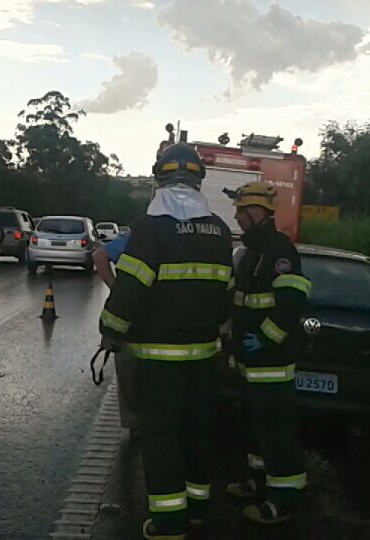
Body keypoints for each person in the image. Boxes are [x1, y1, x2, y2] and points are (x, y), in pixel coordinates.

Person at [99, 143, 233, 540]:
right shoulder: (220, 232)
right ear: (198, 181)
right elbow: (226, 294)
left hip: (159, 362)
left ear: (160, 179)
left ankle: (169, 522)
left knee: (161, 438)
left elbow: (130, 288)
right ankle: (197, 511)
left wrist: (110, 330)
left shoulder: (151, 229)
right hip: (204, 359)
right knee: (196, 434)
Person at [224, 181, 311, 526]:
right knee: (254, 430)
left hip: (271, 366)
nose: (237, 217)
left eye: (241, 211)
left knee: (276, 435)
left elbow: (291, 306)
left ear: (258, 212)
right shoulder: (249, 255)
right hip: (250, 366)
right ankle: (258, 483)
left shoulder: (280, 252)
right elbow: (237, 302)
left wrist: (264, 338)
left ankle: (285, 499)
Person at [92, 231, 139, 435]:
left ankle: (135, 424)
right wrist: (116, 289)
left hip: (128, 315)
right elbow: (99, 255)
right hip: (138, 317)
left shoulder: (138, 234)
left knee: (129, 368)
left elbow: (99, 256)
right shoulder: (139, 236)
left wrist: (115, 288)